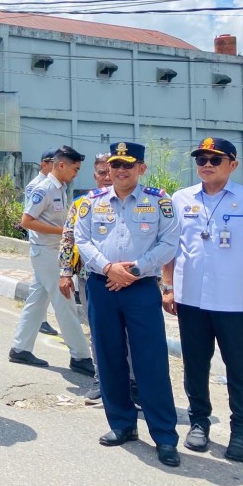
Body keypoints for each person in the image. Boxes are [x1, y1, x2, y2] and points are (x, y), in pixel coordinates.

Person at [162, 137, 243, 463]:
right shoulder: (182, 199)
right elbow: (170, 247)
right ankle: (199, 422)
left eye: (215, 159)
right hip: (191, 299)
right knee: (195, 365)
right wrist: (167, 286)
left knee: (238, 368)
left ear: (233, 164)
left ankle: (242, 431)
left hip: (235, 301)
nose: (207, 164)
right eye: (201, 159)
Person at [74, 141, 181, 467]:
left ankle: (164, 436)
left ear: (141, 169)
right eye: (116, 165)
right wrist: (109, 268)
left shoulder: (159, 201)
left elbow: (170, 243)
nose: (120, 171)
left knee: (151, 362)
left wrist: (134, 270)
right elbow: (82, 240)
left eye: (128, 165)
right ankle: (122, 425)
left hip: (140, 289)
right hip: (102, 285)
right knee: (109, 358)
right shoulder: (91, 202)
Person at [9, 146, 95, 376]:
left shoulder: (61, 187)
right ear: (60, 165)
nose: (76, 173)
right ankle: (80, 356)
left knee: (37, 300)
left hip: (52, 251)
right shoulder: (44, 188)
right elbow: (27, 221)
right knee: (64, 301)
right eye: (74, 169)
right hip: (46, 252)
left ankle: (20, 348)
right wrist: (64, 231)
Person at [59, 153, 113, 402]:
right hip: (90, 278)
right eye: (102, 172)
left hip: (129, 280)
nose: (108, 177)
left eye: (112, 171)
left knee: (129, 335)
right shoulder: (82, 203)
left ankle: (133, 383)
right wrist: (65, 272)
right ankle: (102, 380)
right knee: (98, 332)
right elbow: (68, 238)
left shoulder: (140, 202)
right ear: (95, 176)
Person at [26, 150, 59, 336]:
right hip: (41, 243)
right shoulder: (37, 186)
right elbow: (30, 217)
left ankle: (38, 322)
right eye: (52, 163)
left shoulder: (54, 186)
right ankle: (42, 320)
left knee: (39, 286)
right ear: (44, 164)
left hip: (50, 244)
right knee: (48, 287)